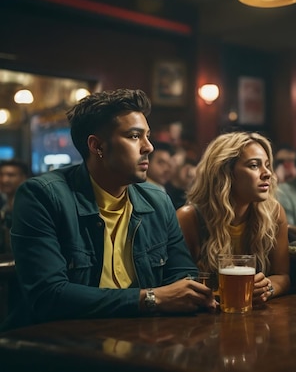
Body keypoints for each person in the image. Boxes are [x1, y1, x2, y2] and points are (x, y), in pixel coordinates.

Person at [2, 89, 215, 331]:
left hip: (143, 341)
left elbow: (184, 277)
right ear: (97, 146)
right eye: (134, 136)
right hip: (61, 344)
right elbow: (48, 296)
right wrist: (149, 299)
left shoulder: (157, 201)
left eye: (147, 136)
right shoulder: (42, 196)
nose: (149, 147)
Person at [176, 132, 290, 304]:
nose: (267, 174)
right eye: (254, 165)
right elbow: (178, 285)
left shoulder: (274, 213)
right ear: (225, 173)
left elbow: (282, 276)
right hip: (205, 321)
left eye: (267, 165)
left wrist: (267, 288)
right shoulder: (189, 218)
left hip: (255, 318)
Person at [0, 159, 30, 254]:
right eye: (1, 175)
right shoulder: (4, 207)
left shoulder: (30, 208)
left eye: (11, 175)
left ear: (23, 178)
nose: (4, 180)